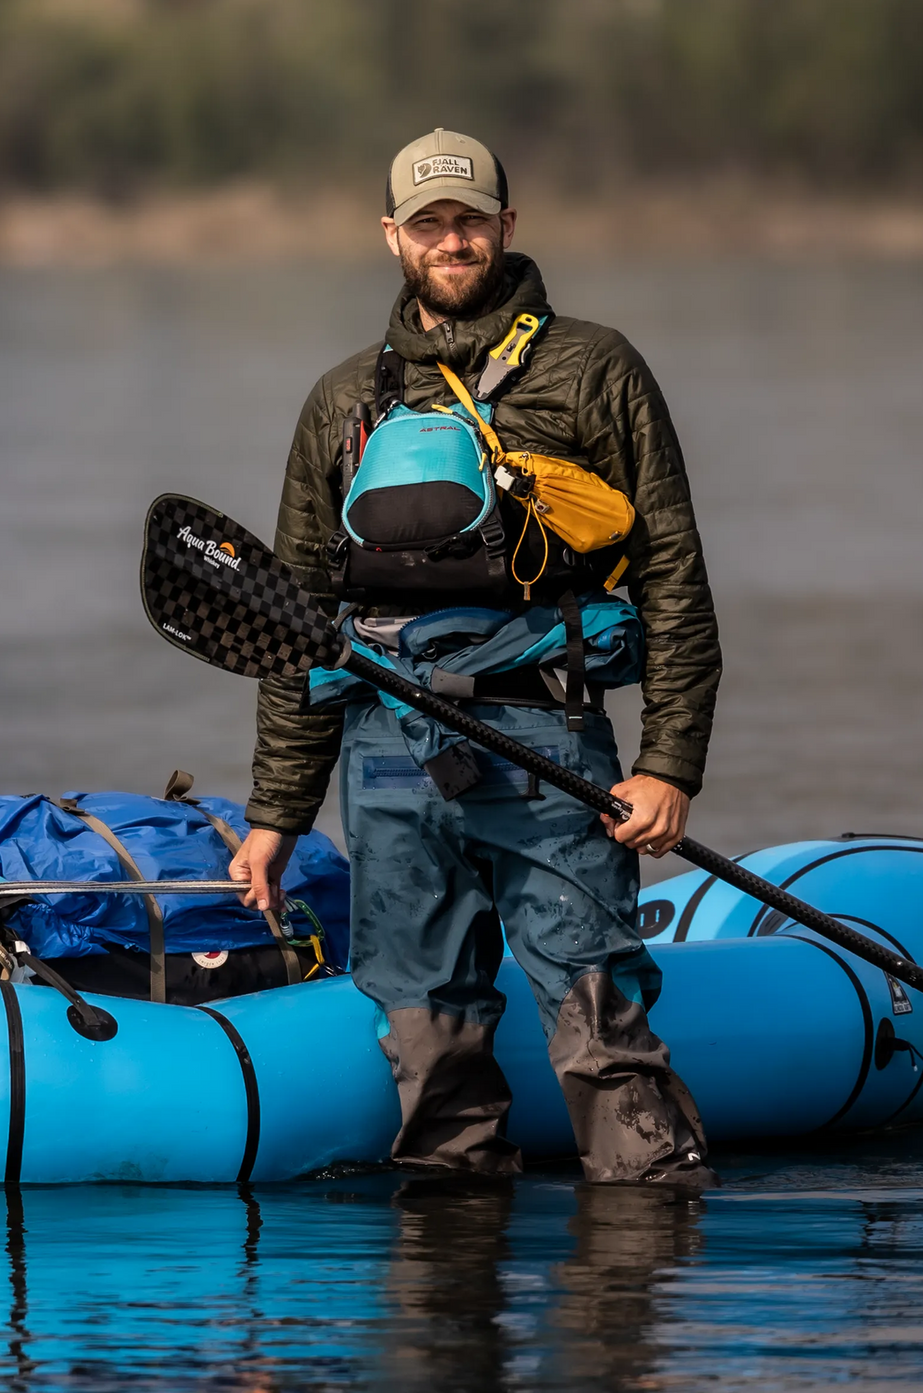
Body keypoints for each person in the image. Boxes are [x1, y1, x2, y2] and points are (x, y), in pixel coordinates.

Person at [229, 128, 722, 1186]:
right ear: (391, 237)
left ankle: (630, 1312)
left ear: (506, 223)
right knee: (427, 1050)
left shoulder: (592, 367)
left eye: (467, 220)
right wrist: (275, 816)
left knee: (602, 1031)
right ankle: (445, 1308)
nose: (449, 240)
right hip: (386, 758)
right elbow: (299, 627)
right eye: (427, 224)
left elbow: (671, 572)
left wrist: (668, 763)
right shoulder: (341, 402)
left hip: (548, 747)